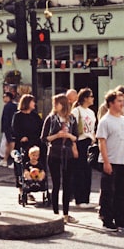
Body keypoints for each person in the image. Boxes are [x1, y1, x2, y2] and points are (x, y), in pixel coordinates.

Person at [96, 88, 124, 232]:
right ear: (111, 103)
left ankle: (120, 219)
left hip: (123, 160)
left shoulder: (123, 119)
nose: (122, 104)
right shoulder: (105, 121)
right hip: (111, 160)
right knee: (108, 191)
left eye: (122, 101)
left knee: (121, 191)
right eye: (119, 101)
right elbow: (102, 142)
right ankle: (107, 219)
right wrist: (106, 162)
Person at [41, 93, 78, 224]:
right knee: (56, 183)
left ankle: (66, 214)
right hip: (54, 153)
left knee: (67, 184)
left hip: (67, 153)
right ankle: (56, 214)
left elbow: (76, 137)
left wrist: (68, 136)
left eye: (57, 103)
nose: (55, 106)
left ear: (63, 104)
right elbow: (44, 138)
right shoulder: (51, 119)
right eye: (54, 103)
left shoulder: (72, 118)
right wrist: (57, 135)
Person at [71, 88, 97, 208]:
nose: (93, 98)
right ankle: (79, 199)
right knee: (79, 171)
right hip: (80, 142)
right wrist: (74, 146)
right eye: (91, 96)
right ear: (85, 98)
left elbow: (93, 128)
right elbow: (72, 129)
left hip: (89, 142)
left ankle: (86, 198)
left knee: (87, 171)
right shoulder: (76, 111)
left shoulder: (91, 112)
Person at [11, 94, 43, 158]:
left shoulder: (35, 116)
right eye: (32, 101)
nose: (34, 103)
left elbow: (41, 127)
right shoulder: (18, 116)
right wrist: (21, 137)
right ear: (27, 103)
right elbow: (15, 129)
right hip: (23, 144)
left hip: (35, 143)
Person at [0, 91, 17, 167]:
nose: (3, 98)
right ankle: (5, 160)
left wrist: (5, 128)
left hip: (9, 128)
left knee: (11, 144)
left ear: (8, 97)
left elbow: (6, 118)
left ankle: (13, 161)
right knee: (9, 144)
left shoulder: (7, 106)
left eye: (4, 97)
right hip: (13, 127)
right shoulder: (15, 105)